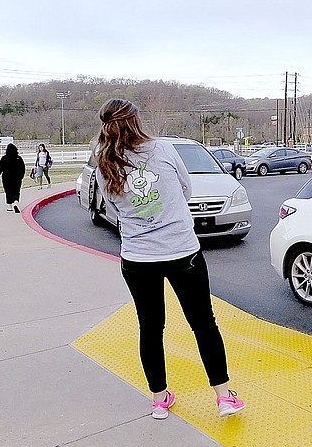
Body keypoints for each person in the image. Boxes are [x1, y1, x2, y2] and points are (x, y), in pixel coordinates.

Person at [95, 98, 245, 420]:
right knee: (203, 323)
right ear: (136, 121)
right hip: (182, 252)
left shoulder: (105, 164)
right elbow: (186, 190)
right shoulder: (163, 149)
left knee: (150, 327)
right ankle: (223, 396)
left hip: (137, 258)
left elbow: (115, 208)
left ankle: (159, 399)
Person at [0, 143, 26, 213]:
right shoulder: (19, 158)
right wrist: (21, 176)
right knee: (16, 191)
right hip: (17, 178)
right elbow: (23, 168)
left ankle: (10, 207)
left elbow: (0, 168)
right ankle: (16, 202)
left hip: (6, 178)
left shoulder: (4, 158)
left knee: (8, 191)